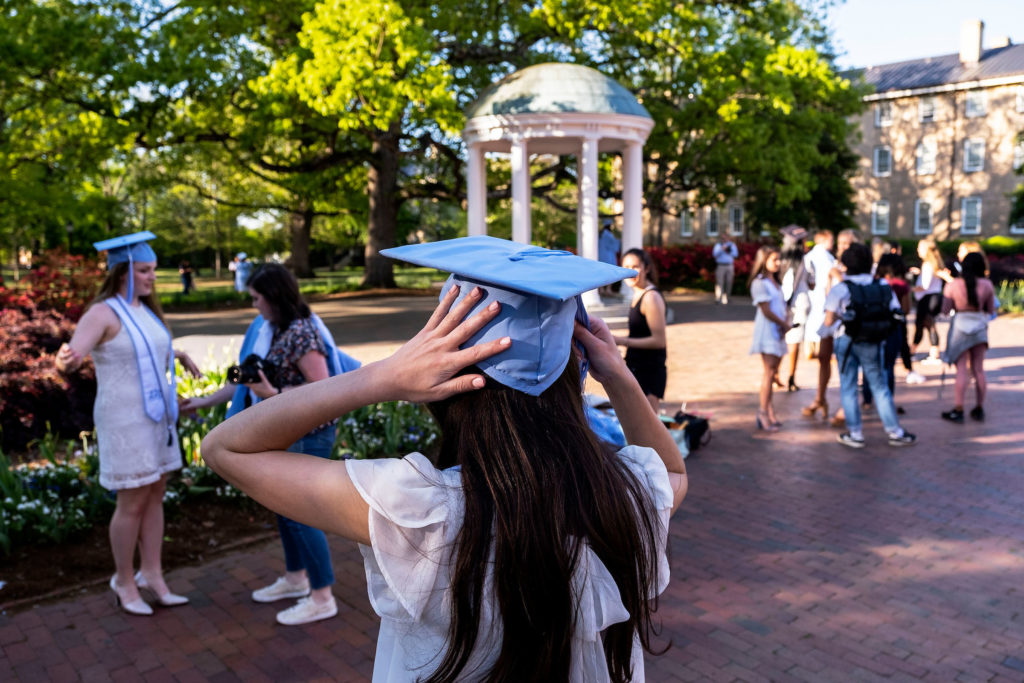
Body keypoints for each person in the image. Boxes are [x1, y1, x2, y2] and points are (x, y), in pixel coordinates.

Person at [200, 236, 688, 681]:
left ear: (443, 389)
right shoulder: (625, 494)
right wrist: (619, 376)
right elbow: (671, 470)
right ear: (577, 373)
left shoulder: (424, 513)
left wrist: (381, 376)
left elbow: (225, 447)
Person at [182, 263, 355, 625]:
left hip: (309, 434)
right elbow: (243, 379)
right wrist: (203, 401)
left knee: (301, 511)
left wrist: (273, 394)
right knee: (283, 506)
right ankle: (296, 579)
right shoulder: (270, 330)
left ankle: (322, 597)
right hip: (283, 430)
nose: (254, 305)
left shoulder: (303, 333)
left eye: (257, 298)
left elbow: (323, 388)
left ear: (274, 297)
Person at [55, 231, 200, 616]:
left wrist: (179, 353)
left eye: (153, 269)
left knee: (155, 493)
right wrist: (64, 360)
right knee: (132, 500)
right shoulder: (103, 312)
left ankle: (152, 574)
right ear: (122, 272)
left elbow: (148, 346)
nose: (153, 276)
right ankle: (123, 580)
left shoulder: (143, 309)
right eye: (145, 270)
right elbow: (72, 357)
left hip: (156, 418)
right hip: (125, 421)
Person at [825, 243, 916, 449]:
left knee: (848, 387)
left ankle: (855, 433)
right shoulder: (883, 287)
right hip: (874, 341)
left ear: (846, 264)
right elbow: (897, 312)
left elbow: (828, 321)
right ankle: (895, 431)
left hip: (846, 341)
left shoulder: (840, 289)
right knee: (880, 387)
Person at [939, 252, 995, 423]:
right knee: (978, 369)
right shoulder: (987, 285)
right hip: (979, 325)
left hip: (960, 326)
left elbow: (945, 310)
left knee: (961, 369)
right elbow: (991, 310)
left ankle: (959, 408)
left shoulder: (953, 285)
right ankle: (979, 407)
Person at [614, 248, 668, 414]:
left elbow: (659, 341)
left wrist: (621, 340)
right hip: (637, 368)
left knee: (647, 436)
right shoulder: (637, 294)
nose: (631, 271)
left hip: (649, 373)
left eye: (635, 266)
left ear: (647, 268)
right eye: (626, 266)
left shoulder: (651, 297)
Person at [748, 246, 790, 432]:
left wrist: (785, 322)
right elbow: (766, 310)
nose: (778, 263)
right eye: (774, 260)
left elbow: (780, 305)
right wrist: (783, 323)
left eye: (779, 259)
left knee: (774, 372)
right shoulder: (760, 282)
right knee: (768, 372)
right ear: (764, 261)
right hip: (768, 330)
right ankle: (763, 412)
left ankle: (770, 410)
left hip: (778, 329)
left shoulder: (775, 282)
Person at [801, 230, 835, 419]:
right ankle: (820, 398)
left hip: (827, 311)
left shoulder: (826, 259)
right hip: (823, 310)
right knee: (823, 356)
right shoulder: (819, 257)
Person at [779, 229, 811, 392]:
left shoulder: (780, 261)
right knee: (794, 343)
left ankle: (776, 375)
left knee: (780, 338)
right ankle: (791, 377)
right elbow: (811, 282)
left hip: (783, 304)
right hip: (798, 305)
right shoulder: (804, 261)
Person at [910, 237, 946, 364]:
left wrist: (910, 289)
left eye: (920, 247)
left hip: (927, 299)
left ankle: (915, 352)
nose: (918, 250)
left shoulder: (928, 264)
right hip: (934, 297)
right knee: (929, 325)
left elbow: (924, 285)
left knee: (924, 325)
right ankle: (930, 352)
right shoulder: (934, 263)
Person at [712, 233, 739, 304]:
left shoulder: (732, 245)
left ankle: (727, 297)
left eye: (725, 238)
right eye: (722, 238)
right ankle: (718, 298)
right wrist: (721, 249)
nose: (724, 240)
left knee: (729, 282)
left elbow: (736, 254)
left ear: (728, 238)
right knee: (719, 282)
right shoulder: (718, 245)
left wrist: (728, 250)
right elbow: (714, 254)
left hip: (729, 266)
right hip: (720, 265)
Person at [598, 219, 622, 296]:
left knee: (601, 273)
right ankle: (608, 289)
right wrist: (619, 240)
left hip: (601, 255)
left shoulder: (601, 234)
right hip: (609, 256)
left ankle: (601, 289)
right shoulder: (608, 234)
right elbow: (613, 244)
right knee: (610, 272)